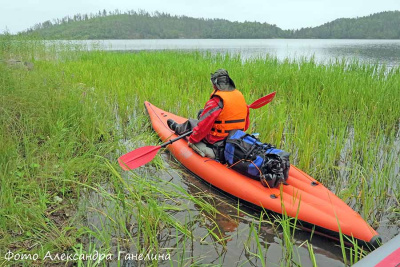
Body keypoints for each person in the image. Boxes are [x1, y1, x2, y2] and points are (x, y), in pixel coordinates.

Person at [167, 69, 249, 160]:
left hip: (217, 141)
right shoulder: (240, 96)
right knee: (201, 112)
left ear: (215, 85)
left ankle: (177, 128)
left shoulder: (216, 102)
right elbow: (246, 125)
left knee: (191, 123)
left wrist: (192, 139)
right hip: (235, 139)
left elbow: (202, 127)